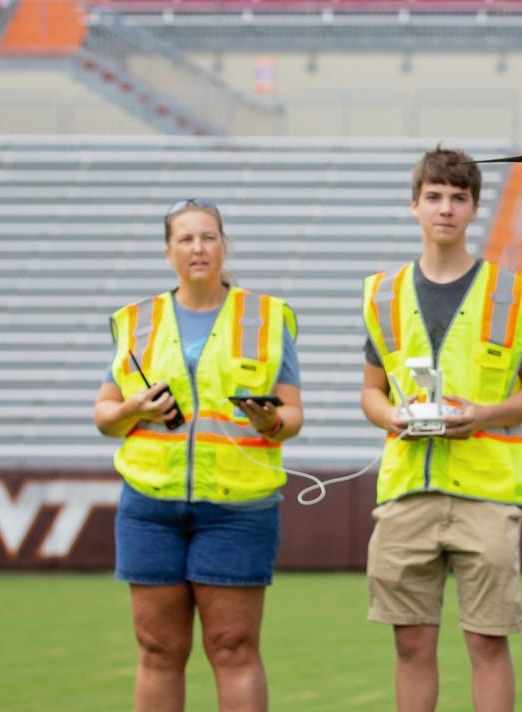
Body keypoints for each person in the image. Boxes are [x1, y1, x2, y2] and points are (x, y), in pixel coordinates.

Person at [360, 146, 522, 712]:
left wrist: (483, 415)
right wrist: (390, 416)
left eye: (458, 198)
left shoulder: (507, 294)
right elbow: (371, 392)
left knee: (487, 642)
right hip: (407, 490)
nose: (445, 208)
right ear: (415, 206)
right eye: (434, 197)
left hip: (486, 492)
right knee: (410, 644)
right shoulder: (385, 295)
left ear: (474, 208)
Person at [93, 199, 303, 712]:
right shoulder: (136, 321)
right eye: (185, 239)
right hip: (150, 506)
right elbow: (105, 415)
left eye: (208, 237)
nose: (198, 248)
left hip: (238, 508)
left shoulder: (266, 318)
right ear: (167, 252)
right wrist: (134, 408)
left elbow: (293, 414)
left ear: (225, 246)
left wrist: (270, 421)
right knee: (158, 649)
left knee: (233, 647)